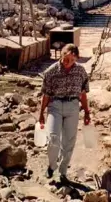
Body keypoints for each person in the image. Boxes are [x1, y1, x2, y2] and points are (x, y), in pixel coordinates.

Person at [38, 44, 91, 182]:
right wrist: (41, 114)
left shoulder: (80, 71)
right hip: (54, 106)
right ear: (62, 54)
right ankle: (52, 166)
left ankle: (62, 173)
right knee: (53, 139)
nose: (69, 63)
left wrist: (86, 112)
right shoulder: (50, 72)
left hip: (73, 106)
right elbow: (46, 95)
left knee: (69, 142)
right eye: (67, 58)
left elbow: (83, 94)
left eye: (73, 60)